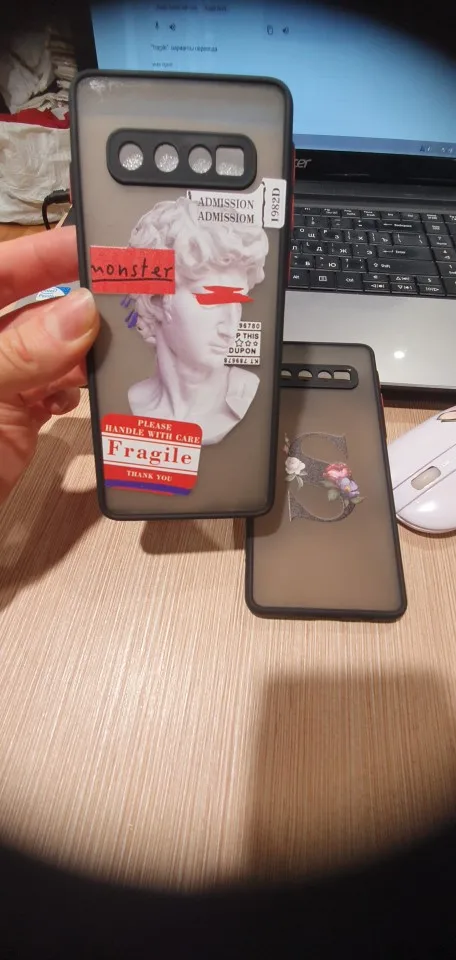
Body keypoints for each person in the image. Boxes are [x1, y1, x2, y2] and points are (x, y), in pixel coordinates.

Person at [128, 197, 268, 444]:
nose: (230, 328)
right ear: (157, 300)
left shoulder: (242, 392)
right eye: (211, 299)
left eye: (238, 302)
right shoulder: (136, 399)